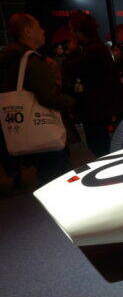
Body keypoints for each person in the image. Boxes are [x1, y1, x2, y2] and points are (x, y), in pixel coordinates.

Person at [0, 13, 75, 185]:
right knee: (56, 176)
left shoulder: (9, 59)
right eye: (38, 27)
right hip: (43, 131)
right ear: (27, 31)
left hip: (21, 129)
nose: (43, 31)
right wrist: (70, 100)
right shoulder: (31, 60)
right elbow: (49, 97)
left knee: (49, 174)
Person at [62, 11, 123, 157]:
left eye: (71, 29)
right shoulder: (95, 48)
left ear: (79, 31)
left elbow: (72, 69)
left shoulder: (92, 50)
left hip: (97, 110)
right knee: (100, 145)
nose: (70, 33)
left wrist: (72, 51)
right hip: (100, 109)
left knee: (99, 146)